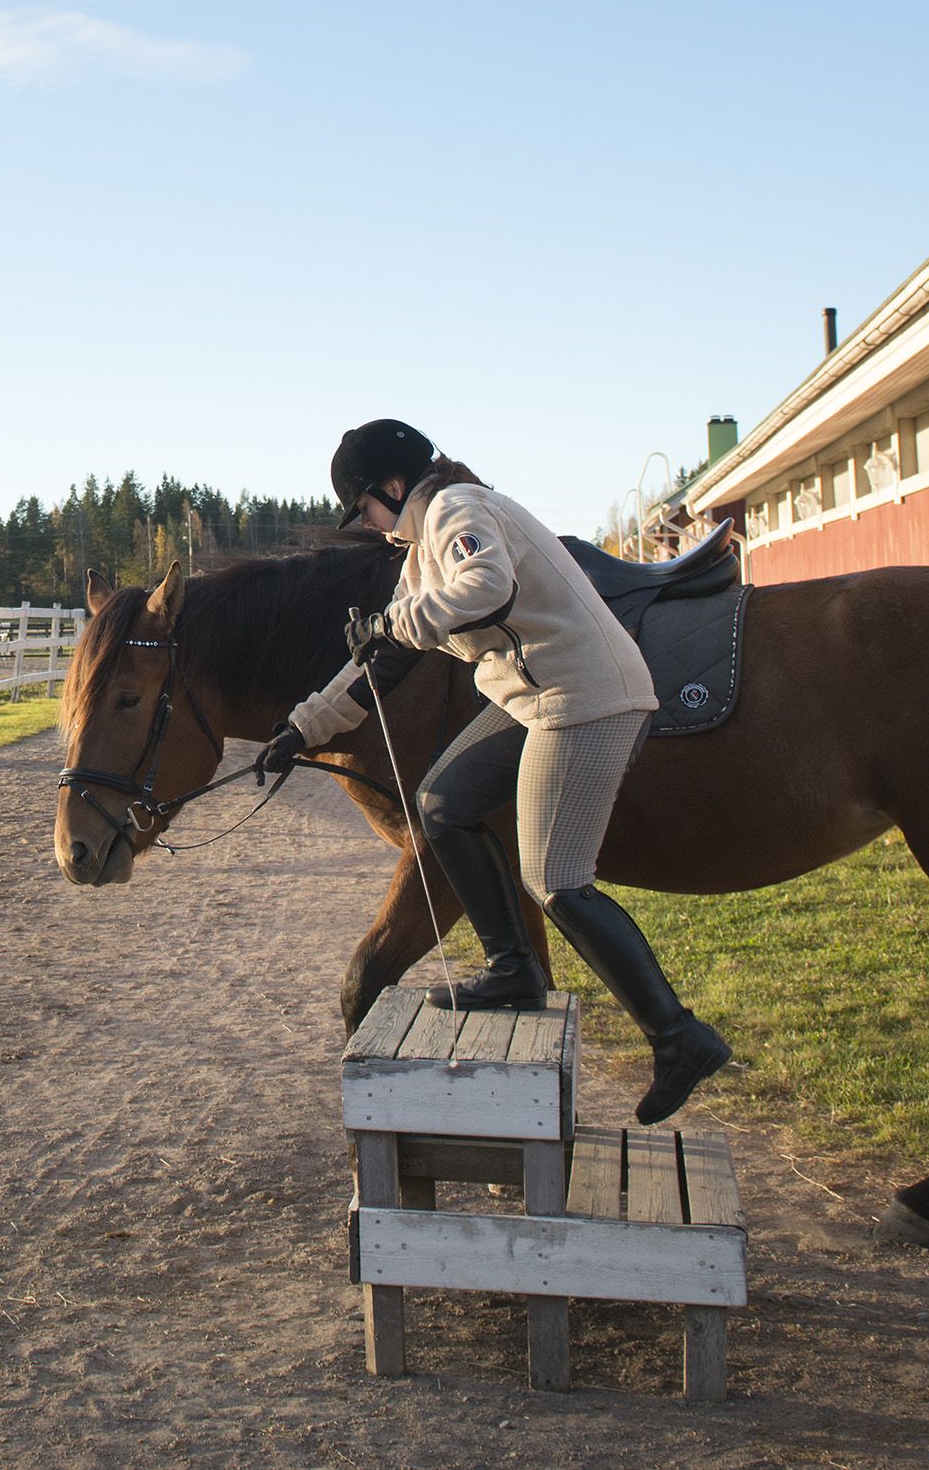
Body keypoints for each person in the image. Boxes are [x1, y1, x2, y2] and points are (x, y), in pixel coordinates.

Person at [257, 418, 731, 1126]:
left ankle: (679, 1038)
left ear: (394, 486)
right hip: (534, 698)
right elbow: (382, 662)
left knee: (555, 880)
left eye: (364, 508)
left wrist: (393, 624)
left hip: (587, 696)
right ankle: (514, 971)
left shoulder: (458, 508)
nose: (369, 525)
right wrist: (302, 727)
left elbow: (486, 585)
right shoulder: (421, 554)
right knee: (442, 802)